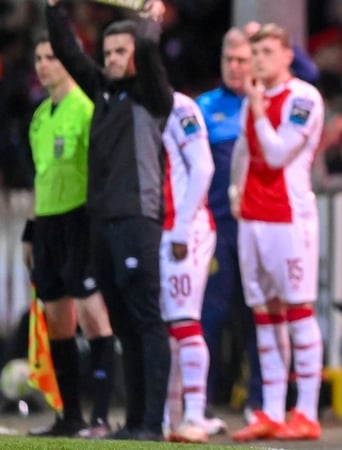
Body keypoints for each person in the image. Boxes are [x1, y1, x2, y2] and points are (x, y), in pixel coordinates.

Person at [46, 0, 174, 441]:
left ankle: (152, 422)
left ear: (136, 53)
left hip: (136, 217)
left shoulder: (153, 95)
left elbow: (151, 55)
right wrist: (53, 8)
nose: (113, 59)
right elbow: (69, 53)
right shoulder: (102, 90)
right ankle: (134, 420)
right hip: (102, 221)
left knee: (145, 319)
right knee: (122, 323)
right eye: (109, 51)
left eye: (122, 51)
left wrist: (150, 24)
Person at [228, 23, 325, 442]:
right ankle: (270, 410)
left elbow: (276, 151)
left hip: (289, 218)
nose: (259, 60)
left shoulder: (303, 97)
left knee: (298, 312)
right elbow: (244, 151)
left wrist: (254, 104)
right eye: (256, 53)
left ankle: (305, 411)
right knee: (264, 316)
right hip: (252, 218)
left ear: (287, 55)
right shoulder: (258, 99)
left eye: (267, 51)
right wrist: (235, 189)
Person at [22, 33, 116, 439]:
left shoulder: (86, 109)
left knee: (94, 317)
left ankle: (100, 417)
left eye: (52, 57)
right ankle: (70, 416)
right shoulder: (41, 115)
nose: (44, 65)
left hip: (80, 221)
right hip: (47, 226)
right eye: (39, 57)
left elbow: (101, 171)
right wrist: (31, 231)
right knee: (57, 322)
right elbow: (42, 177)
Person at [195, 26, 263, 419]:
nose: (235, 67)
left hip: (258, 225)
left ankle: (258, 400)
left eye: (242, 59)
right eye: (229, 59)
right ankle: (200, 399)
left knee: (255, 314)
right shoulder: (204, 107)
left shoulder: (265, 104)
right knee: (211, 315)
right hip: (218, 227)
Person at [160, 92, 227, 443]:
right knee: (167, 325)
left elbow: (203, 166)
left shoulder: (181, 107)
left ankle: (194, 415)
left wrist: (182, 226)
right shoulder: (130, 104)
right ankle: (168, 419)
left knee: (184, 321)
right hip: (155, 228)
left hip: (184, 228)